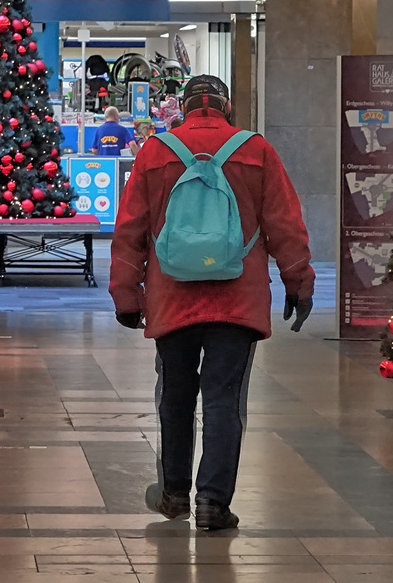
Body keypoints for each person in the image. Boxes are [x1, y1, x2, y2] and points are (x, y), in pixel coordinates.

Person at [110, 74, 313, 532]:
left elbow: (130, 230)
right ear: (226, 105)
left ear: (184, 106)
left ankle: (174, 492)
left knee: (175, 395)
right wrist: (298, 282)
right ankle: (213, 502)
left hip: (171, 297)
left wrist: (126, 293)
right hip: (237, 298)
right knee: (224, 399)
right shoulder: (255, 150)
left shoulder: (157, 151)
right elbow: (285, 223)